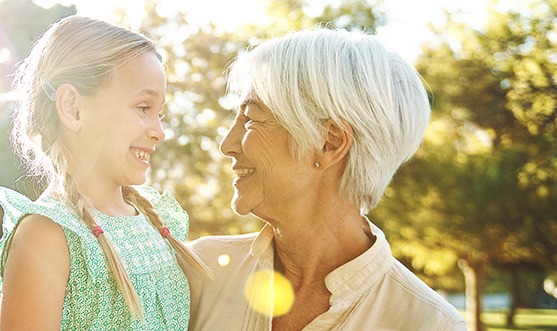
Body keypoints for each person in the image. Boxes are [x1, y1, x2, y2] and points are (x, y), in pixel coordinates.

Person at [185, 28, 467, 330]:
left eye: (251, 118)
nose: (227, 144)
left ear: (329, 143)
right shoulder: (199, 272)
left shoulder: (429, 324)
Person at [0, 16, 210, 330]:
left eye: (160, 114)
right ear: (73, 108)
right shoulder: (48, 237)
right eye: (143, 108)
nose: (159, 131)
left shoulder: (157, 221)